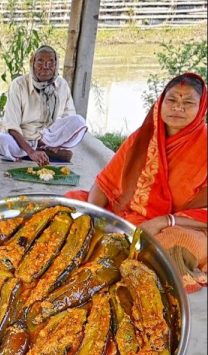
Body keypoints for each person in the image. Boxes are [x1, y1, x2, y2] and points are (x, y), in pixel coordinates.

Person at [67, 73, 207, 293]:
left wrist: (164, 221)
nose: (177, 108)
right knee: (71, 206)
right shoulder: (141, 138)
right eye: (171, 100)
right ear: (161, 102)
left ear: (201, 108)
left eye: (188, 103)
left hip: (181, 226)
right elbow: (105, 183)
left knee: (172, 245)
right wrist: (95, 216)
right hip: (126, 215)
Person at [0, 45, 87, 166]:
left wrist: (58, 143)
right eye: (40, 62)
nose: (46, 67)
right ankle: (37, 153)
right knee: (0, 141)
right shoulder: (19, 85)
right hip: (23, 137)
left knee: (79, 121)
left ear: (56, 65)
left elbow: (68, 117)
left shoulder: (61, 84)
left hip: (48, 137)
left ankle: (48, 149)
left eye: (51, 62)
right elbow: (11, 125)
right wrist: (31, 151)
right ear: (33, 63)